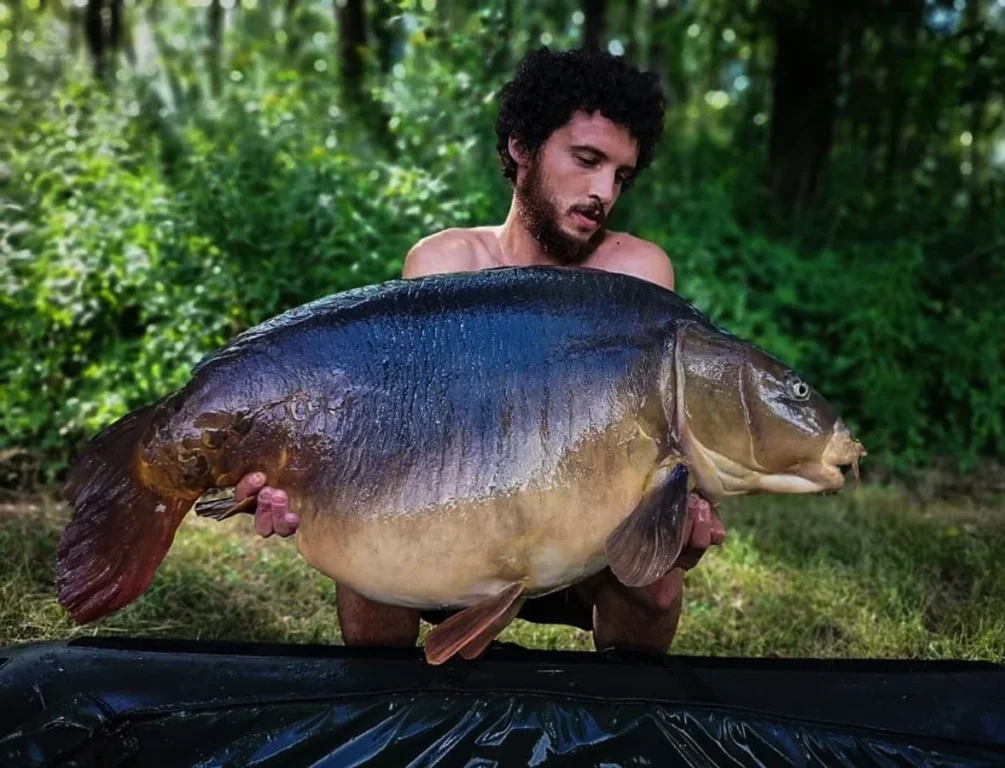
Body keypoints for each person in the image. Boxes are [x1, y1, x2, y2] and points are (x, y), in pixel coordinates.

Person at [233, 47, 726, 653]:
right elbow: (405, 434)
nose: (603, 191)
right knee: (367, 579)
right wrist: (302, 480)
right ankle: (390, 723)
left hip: (584, 537)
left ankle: (618, 727)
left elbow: (657, 435)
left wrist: (677, 516)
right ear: (522, 147)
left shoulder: (636, 276)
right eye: (587, 159)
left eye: (620, 175)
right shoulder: (444, 265)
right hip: (462, 529)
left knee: (659, 582)